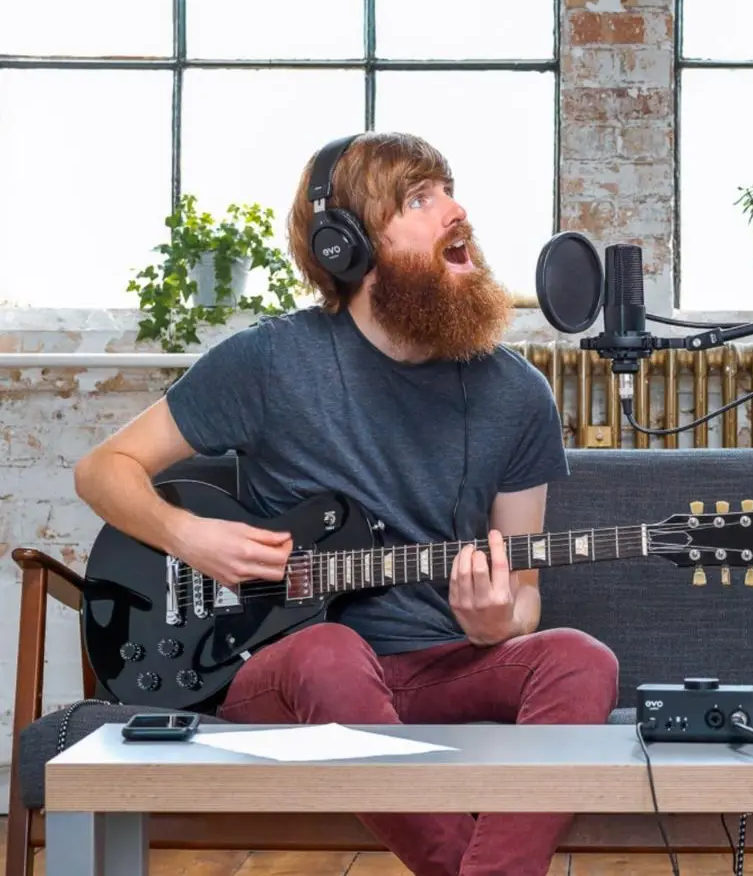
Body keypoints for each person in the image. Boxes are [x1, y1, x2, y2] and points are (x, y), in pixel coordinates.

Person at [73, 131, 620, 876]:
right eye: (419, 199)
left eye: (450, 190)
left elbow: (523, 593)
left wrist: (500, 622)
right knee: (332, 652)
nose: (455, 210)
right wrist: (190, 537)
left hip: (438, 664)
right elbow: (102, 471)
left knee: (580, 659)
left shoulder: (517, 394)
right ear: (346, 247)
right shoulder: (271, 362)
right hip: (286, 670)